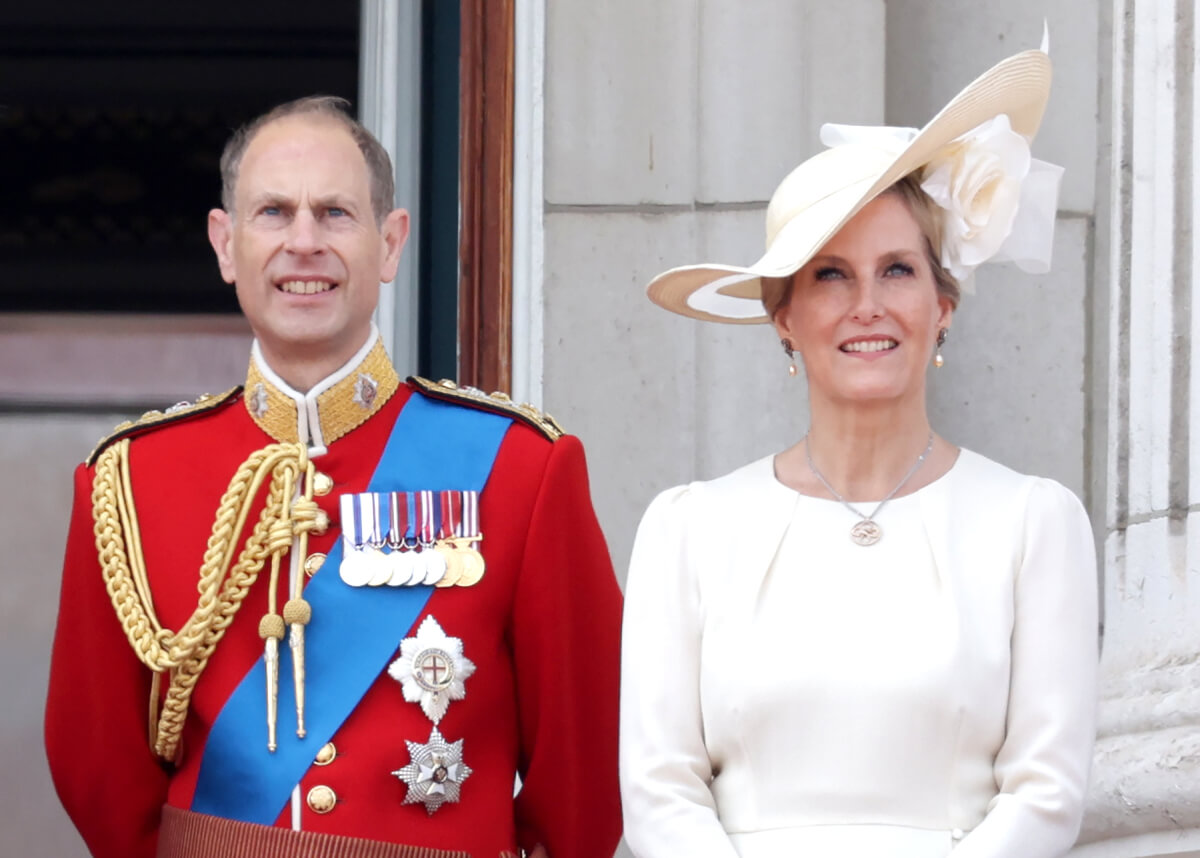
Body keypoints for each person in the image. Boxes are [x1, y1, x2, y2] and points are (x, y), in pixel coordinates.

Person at [45, 96, 623, 858]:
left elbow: (587, 774)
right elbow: (98, 769)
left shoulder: (519, 467)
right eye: (274, 212)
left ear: (390, 243)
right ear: (226, 245)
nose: (304, 242)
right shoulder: (130, 479)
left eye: (336, 214)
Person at [620, 47, 1098, 858]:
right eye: (832, 275)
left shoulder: (1033, 524)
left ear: (943, 306)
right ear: (784, 317)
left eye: (898, 271)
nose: (868, 306)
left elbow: (1047, 795)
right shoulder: (688, 530)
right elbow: (660, 792)